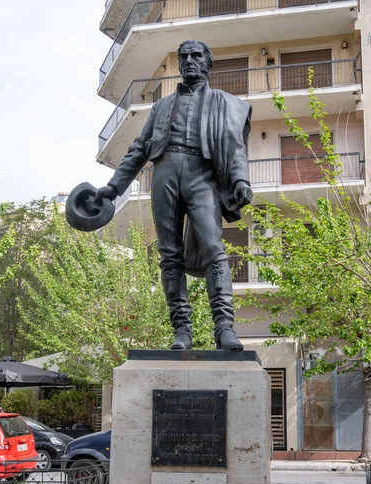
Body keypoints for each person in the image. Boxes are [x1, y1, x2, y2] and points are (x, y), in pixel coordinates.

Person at [95, 40, 253, 351]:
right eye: (184, 57)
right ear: (179, 64)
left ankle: (224, 329)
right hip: (164, 172)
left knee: (213, 248)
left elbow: (235, 146)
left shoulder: (225, 103)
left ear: (207, 63)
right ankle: (182, 330)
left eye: (196, 56)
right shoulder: (161, 107)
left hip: (202, 176)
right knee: (169, 256)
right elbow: (138, 151)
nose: (189, 61)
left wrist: (240, 180)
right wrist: (113, 188)